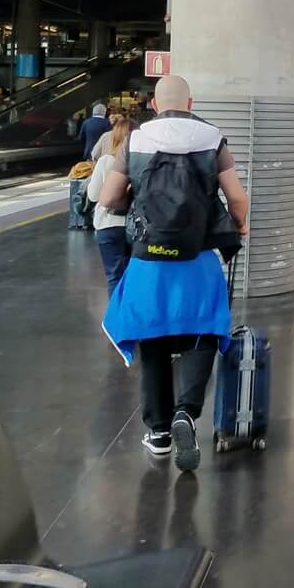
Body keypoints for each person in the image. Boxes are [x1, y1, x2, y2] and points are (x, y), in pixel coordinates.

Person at [99, 75, 249, 473]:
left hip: (148, 258)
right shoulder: (212, 137)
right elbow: (236, 196)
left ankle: (160, 432)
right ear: (191, 101)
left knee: (153, 337)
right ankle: (187, 412)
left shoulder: (137, 139)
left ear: (153, 103)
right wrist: (240, 224)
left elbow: (108, 197)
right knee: (204, 329)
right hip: (197, 256)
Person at [86, 116, 137, 292]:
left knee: (114, 276)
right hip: (136, 226)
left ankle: (116, 317)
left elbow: (93, 196)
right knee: (133, 276)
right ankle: (132, 315)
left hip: (108, 224)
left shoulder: (106, 161)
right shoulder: (141, 162)